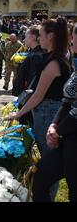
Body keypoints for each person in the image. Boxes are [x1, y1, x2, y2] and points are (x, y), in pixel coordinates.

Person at [8, 18, 71, 201]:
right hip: (47, 113)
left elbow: (38, 95)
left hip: (47, 114)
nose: (39, 38)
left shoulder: (53, 63)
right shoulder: (57, 57)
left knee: (47, 166)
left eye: (42, 35)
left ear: (50, 36)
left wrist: (18, 113)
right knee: (48, 162)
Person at [32, 23, 77, 202]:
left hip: (72, 136)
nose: (71, 41)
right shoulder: (75, 64)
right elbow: (67, 101)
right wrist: (53, 124)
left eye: (73, 36)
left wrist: (57, 130)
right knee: (40, 178)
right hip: (68, 136)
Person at [12, 26, 44, 126]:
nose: (24, 39)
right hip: (27, 96)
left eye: (26, 36)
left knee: (26, 124)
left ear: (33, 37)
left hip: (28, 97)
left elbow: (32, 80)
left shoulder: (36, 55)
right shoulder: (34, 53)